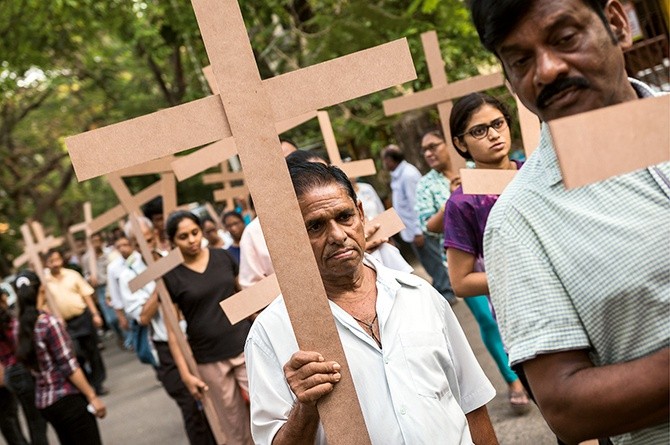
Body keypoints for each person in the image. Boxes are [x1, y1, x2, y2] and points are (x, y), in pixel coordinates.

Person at [469, 0, 669, 443]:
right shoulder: (518, 221)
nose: (547, 69)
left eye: (564, 38)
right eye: (520, 60)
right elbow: (568, 407)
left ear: (616, 23)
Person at [245, 162, 497, 444]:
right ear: (290, 238)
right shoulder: (271, 333)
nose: (338, 236)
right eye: (315, 226)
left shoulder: (418, 295)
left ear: (361, 214)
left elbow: (471, 402)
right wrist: (305, 407)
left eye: (344, 217)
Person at [442, 93, 529, 413]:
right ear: (461, 143)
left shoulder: (534, 172)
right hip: (521, 319)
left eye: (498, 124)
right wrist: (521, 274)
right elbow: (461, 282)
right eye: (479, 130)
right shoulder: (463, 202)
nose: (493, 134)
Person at [117, 219, 217, 445]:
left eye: (149, 239)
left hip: (197, 337)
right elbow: (143, 317)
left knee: (217, 401)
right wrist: (161, 282)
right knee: (192, 407)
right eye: (137, 241)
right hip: (166, 347)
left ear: (155, 234)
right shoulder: (128, 275)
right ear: (131, 243)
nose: (145, 245)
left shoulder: (173, 255)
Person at [162, 211, 253, 445]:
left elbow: (245, 298)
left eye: (195, 232)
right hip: (209, 359)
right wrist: (186, 374)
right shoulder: (170, 277)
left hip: (244, 345)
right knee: (233, 427)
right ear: (172, 241)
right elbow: (172, 332)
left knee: (269, 410)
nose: (192, 240)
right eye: (183, 236)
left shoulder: (222, 257)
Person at [15, 270, 106, 444]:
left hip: (45, 402)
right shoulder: (48, 323)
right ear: (42, 289)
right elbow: (68, 365)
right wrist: (92, 395)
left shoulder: (22, 327)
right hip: (67, 397)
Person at [381, 145, 455, 302]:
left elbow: (416, 204)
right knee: (428, 262)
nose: (384, 164)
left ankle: (447, 291)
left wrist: (418, 231)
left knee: (433, 260)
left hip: (417, 230)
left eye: (385, 160)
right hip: (409, 230)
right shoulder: (398, 175)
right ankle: (442, 288)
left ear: (390, 159)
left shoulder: (408, 174)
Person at [44, 249, 108, 396]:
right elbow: (44, 305)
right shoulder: (45, 283)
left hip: (82, 318)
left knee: (93, 351)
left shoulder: (72, 275)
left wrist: (95, 314)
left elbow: (86, 295)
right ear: (46, 263)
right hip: (65, 325)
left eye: (57, 260)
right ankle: (87, 382)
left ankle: (98, 383)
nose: (55, 264)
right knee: (76, 353)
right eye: (51, 261)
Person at [0, 287, 48, 445]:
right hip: (19, 370)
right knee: (35, 418)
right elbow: (20, 344)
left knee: (14, 419)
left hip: (9, 373)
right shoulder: (8, 321)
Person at [82, 232, 124, 345]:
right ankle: (120, 336)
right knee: (111, 319)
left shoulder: (109, 254)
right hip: (100, 289)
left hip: (113, 285)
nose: (95, 244)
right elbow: (85, 274)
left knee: (121, 311)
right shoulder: (87, 259)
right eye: (93, 241)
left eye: (97, 241)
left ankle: (128, 339)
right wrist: (90, 278)